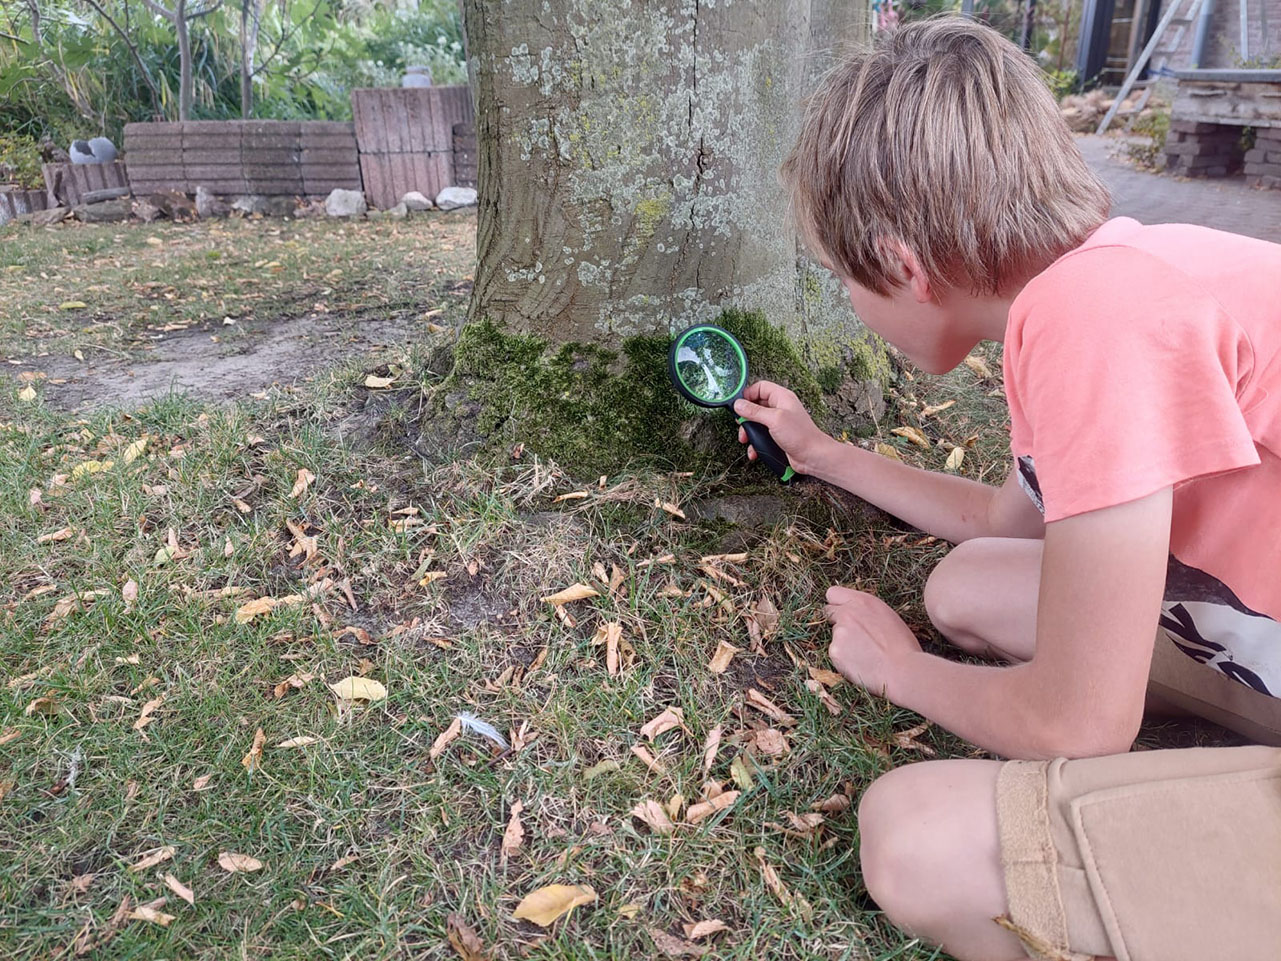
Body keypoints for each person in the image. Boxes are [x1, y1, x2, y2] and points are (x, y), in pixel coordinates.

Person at [734, 16, 1281, 961]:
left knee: (915, 841)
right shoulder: (1101, 281)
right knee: (974, 583)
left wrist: (898, 669)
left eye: (840, 281)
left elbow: (1077, 723)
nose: (851, 309)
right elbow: (1004, 521)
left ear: (900, 262)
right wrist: (820, 453)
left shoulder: (1097, 321)